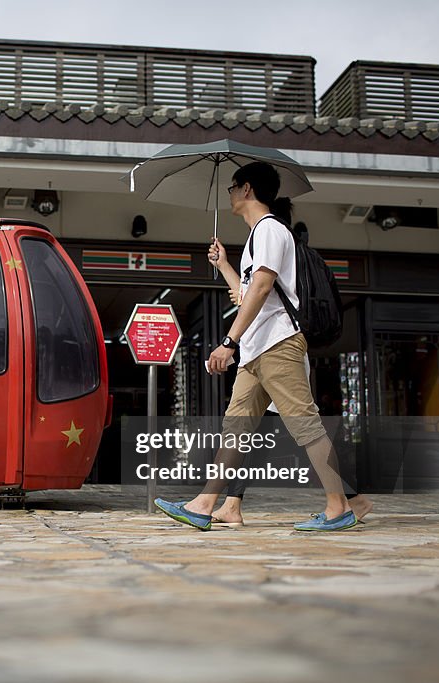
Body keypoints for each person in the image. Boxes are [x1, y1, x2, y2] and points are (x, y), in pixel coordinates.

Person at [155, 161, 357, 532]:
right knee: (235, 429)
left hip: (277, 345)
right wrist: (227, 265)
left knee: (306, 426)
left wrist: (228, 342)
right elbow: (248, 293)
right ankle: (204, 504)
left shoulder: (268, 230)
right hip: (256, 350)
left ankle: (338, 506)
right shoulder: (258, 237)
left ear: (246, 189)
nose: (229, 194)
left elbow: (263, 290)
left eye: (232, 187)